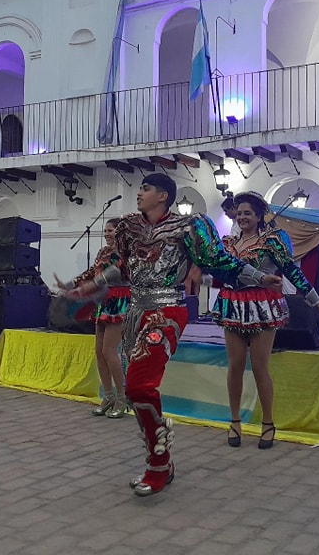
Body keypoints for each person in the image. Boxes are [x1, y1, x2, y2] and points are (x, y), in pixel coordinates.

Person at [58, 173, 282, 497]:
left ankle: (159, 462)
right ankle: (158, 460)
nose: (139, 194)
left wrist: (259, 276)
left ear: (163, 195)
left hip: (167, 310)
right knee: (138, 393)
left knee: (138, 385)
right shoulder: (129, 228)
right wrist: (84, 287)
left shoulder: (188, 227)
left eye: (145, 189)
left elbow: (219, 260)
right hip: (135, 312)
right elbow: (119, 267)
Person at [212, 192, 319, 450]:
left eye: (248, 213)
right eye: (239, 213)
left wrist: (316, 301)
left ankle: (268, 423)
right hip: (233, 304)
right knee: (235, 365)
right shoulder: (228, 243)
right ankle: (235, 421)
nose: (242, 217)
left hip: (262, 306)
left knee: (260, 366)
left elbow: (292, 271)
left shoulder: (272, 241)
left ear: (259, 216)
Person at [64, 218, 131, 418]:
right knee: (99, 351)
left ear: (120, 232)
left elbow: (117, 271)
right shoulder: (103, 252)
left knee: (110, 350)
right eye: (106, 230)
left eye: (111, 230)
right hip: (103, 299)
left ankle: (122, 396)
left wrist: (89, 285)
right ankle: (108, 395)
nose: (107, 234)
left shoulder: (126, 251)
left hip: (119, 298)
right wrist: (72, 283)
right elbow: (93, 272)